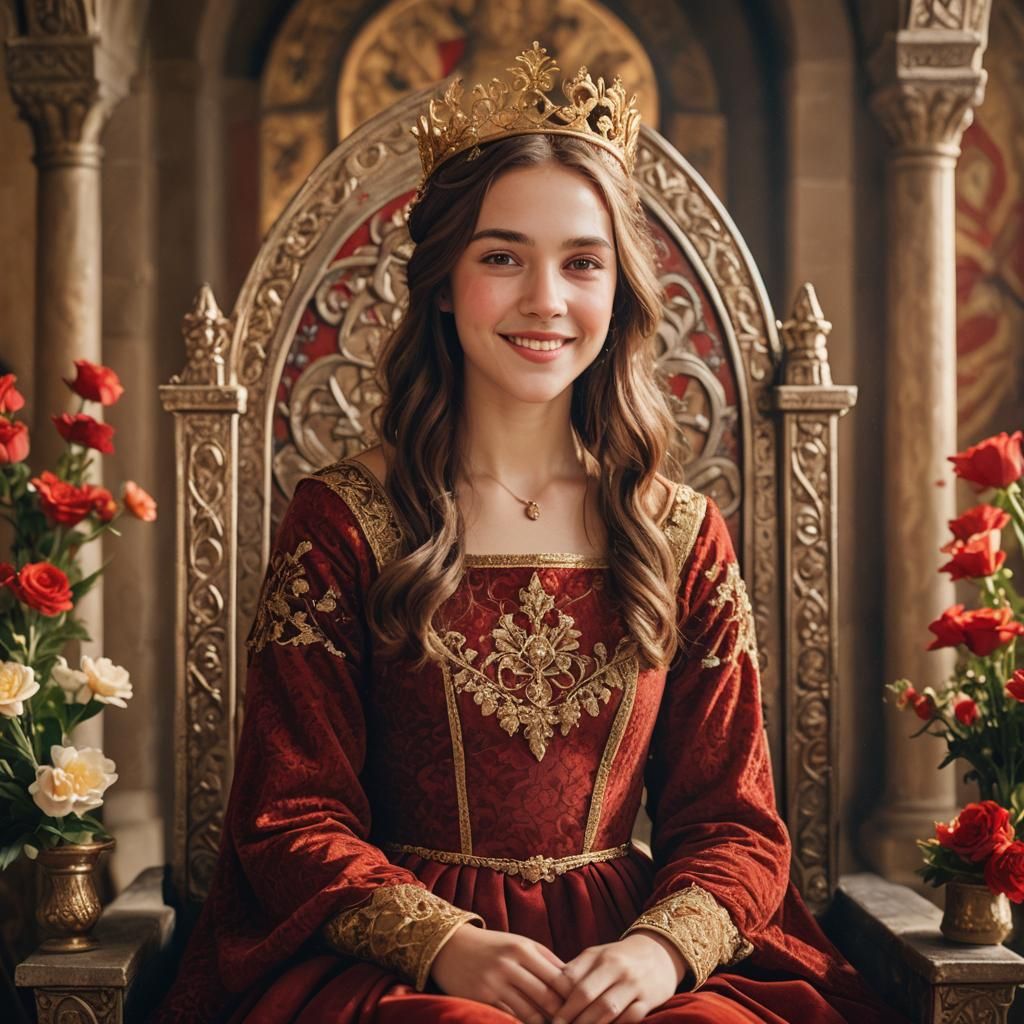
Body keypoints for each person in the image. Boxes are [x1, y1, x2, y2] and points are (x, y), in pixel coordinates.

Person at [154, 42, 902, 1024]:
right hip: (406, 962)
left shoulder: (677, 531)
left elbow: (734, 822)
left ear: (618, 291)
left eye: (581, 263)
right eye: (502, 256)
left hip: (630, 955)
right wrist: (443, 945)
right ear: (442, 280)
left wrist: (658, 955)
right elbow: (289, 810)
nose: (545, 298)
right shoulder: (342, 521)